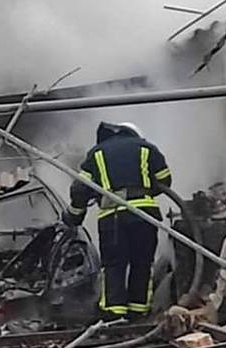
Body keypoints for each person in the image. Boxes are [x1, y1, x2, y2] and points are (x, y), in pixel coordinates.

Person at [61, 122, 172, 321]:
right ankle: (138, 311)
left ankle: (114, 312)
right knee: (143, 262)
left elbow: (80, 188)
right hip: (144, 214)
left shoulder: (96, 153)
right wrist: (142, 188)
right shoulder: (147, 148)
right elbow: (164, 180)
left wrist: (74, 215)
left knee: (114, 264)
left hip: (112, 218)